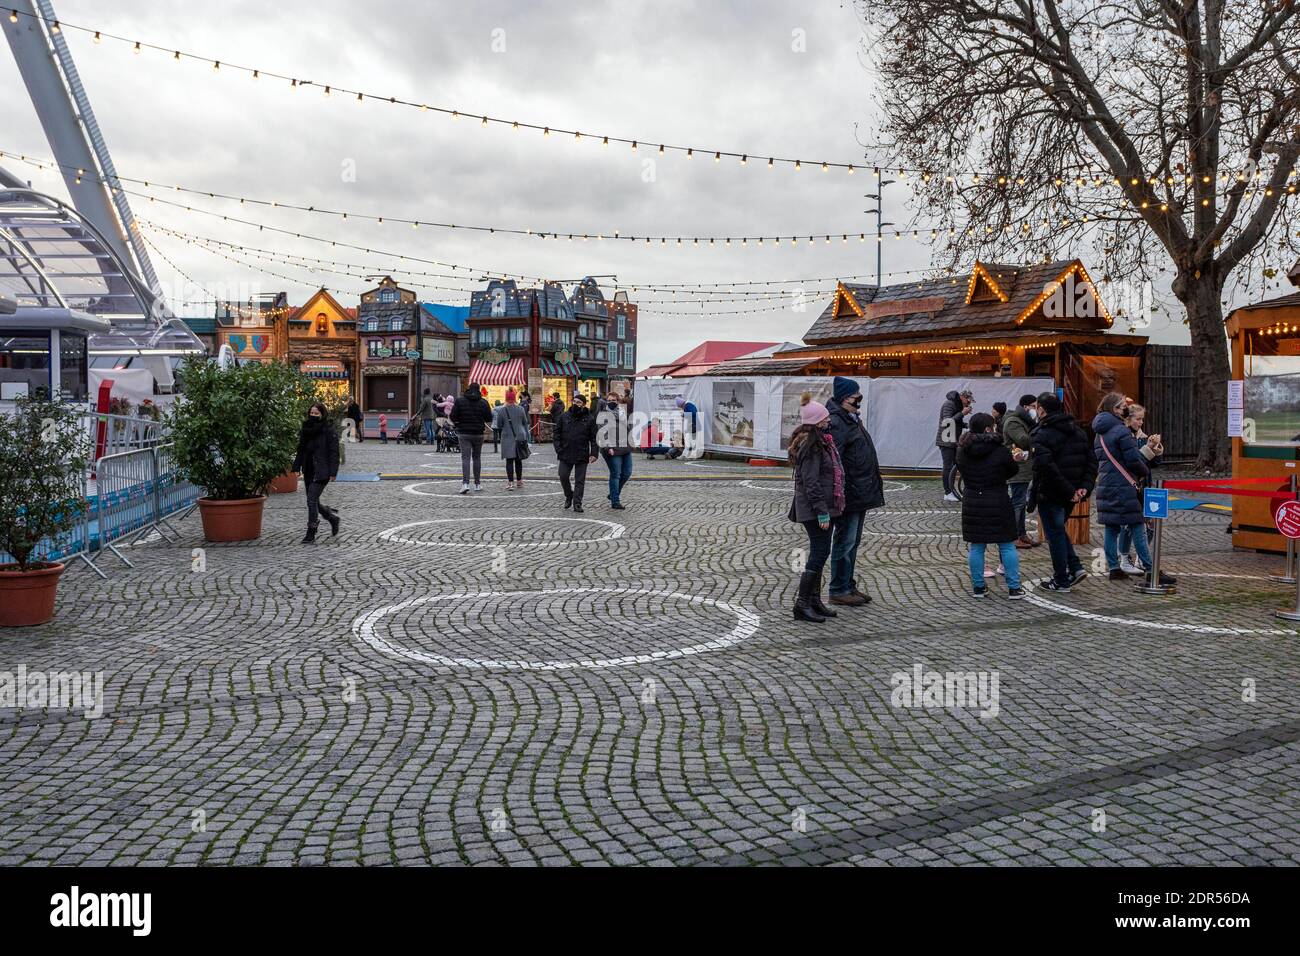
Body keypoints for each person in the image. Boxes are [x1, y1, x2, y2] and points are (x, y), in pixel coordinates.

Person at [1093, 393, 1176, 585]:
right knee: (1138, 524)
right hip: (1124, 485)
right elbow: (1132, 460)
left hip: (1106, 484)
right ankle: (1149, 568)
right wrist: (1144, 469)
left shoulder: (1100, 432)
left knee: (1111, 527)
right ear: (1114, 409)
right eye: (1122, 405)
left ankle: (1114, 568)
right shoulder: (1121, 431)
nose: (1125, 408)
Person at [825, 376, 885, 606]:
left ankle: (848, 584)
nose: (859, 401)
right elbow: (834, 461)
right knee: (845, 542)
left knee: (853, 542)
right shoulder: (838, 422)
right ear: (843, 398)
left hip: (860, 491)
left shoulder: (851, 419)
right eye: (854, 397)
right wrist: (841, 490)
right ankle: (838, 588)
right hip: (849, 493)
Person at [1029, 391, 1097, 592]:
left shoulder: (1042, 435)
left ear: (1041, 410)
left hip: (1052, 492)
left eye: (1036, 408)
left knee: (1055, 535)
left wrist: (1071, 490)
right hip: (1072, 493)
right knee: (1058, 531)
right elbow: (1091, 461)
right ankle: (1075, 568)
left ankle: (1061, 579)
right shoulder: (1077, 431)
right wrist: (1083, 486)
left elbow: (1047, 467)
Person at [788, 393, 846, 623]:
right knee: (819, 552)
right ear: (816, 421)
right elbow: (811, 483)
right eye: (824, 417)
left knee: (821, 552)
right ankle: (802, 604)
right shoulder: (812, 446)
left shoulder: (820, 441)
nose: (828, 420)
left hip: (822, 507)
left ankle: (814, 600)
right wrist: (822, 511)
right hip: (815, 509)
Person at [958, 412, 1027, 599]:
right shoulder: (1000, 449)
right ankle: (1014, 587)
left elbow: (962, 469)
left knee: (977, 546)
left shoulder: (962, 449)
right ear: (988, 428)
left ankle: (978, 587)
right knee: (1006, 544)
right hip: (997, 498)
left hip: (972, 499)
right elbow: (1011, 470)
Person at [1117, 403, 1166, 574]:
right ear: (1128, 419)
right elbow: (1135, 462)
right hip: (1131, 486)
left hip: (1146, 485)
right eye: (1138, 419)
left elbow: (1155, 463)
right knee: (1128, 525)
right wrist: (1148, 449)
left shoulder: (1144, 437)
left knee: (1150, 523)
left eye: (1142, 419)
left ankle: (1140, 557)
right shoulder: (1124, 437)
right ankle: (1123, 557)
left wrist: (1156, 448)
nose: (1141, 422)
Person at [290, 401, 339, 544]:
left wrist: (333, 471)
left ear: (322, 414)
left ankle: (311, 531)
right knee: (314, 502)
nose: (313, 415)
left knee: (311, 500)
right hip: (309, 469)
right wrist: (296, 466)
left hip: (322, 471)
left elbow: (334, 452)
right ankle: (332, 518)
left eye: (316, 413)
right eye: (311, 413)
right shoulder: (306, 429)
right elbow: (301, 449)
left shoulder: (328, 430)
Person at [1002, 394, 1038, 549]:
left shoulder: (1026, 421)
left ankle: (1021, 534)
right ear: (1025, 407)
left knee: (1021, 503)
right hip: (1017, 468)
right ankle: (1014, 536)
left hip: (1025, 468)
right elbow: (1023, 440)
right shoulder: (1013, 422)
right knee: (1018, 503)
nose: (1035, 410)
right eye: (1033, 406)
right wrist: (1039, 430)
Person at [554, 392, 598, 512]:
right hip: (565, 452)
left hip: (582, 453)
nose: (575, 404)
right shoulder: (564, 416)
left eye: (578, 402)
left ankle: (577, 503)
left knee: (580, 480)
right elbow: (556, 433)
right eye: (574, 401)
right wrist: (558, 448)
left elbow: (594, 438)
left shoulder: (589, 418)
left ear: (583, 405)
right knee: (563, 475)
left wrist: (594, 453)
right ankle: (569, 495)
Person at [451, 382, 494, 493]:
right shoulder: (484, 402)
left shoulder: (460, 401)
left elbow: (453, 416)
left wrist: (458, 423)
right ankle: (477, 484)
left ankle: (465, 484)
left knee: (465, 458)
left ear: (468, 389)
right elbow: (489, 417)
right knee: (477, 458)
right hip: (478, 433)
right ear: (479, 390)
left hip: (464, 433)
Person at [598, 392, 633, 510]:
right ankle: (615, 501)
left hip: (625, 447)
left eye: (614, 400)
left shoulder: (623, 413)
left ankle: (613, 493)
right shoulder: (603, 414)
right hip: (612, 448)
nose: (611, 402)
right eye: (609, 400)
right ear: (606, 401)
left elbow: (628, 428)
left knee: (627, 473)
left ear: (618, 401)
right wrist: (608, 447)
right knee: (616, 474)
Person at [935, 389, 970, 501]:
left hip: (953, 440)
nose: (968, 403)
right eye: (967, 400)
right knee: (948, 467)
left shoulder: (957, 404)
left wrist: (967, 425)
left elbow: (956, 422)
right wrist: (962, 413)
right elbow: (947, 422)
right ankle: (948, 492)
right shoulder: (949, 404)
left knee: (956, 465)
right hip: (946, 440)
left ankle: (952, 491)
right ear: (962, 397)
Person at [493, 388, 531, 489]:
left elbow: (499, 425)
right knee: (519, 460)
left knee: (509, 461)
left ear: (506, 398)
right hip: (520, 436)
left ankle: (510, 482)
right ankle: (519, 481)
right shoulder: (521, 409)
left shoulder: (501, 410)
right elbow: (525, 422)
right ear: (514, 398)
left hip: (507, 437)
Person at [669, 395, 699, 459]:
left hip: (693, 425)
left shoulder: (688, 405)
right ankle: (685, 455)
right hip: (692, 425)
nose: (682, 408)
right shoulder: (688, 405)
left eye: (681, 407)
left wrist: (684, 414)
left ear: (682, 404)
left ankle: (690, 455)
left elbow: (694, 413)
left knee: (691, 441)